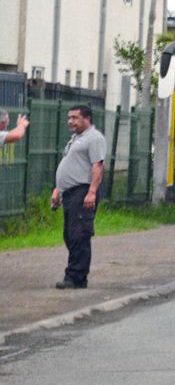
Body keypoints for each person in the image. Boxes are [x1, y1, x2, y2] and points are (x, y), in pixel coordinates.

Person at [51, 105, 107, 290]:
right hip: (70, 193)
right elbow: (70, 165)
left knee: (79, 235)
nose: (70, 121)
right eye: (70, 117)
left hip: (83, 192)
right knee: (69, 235)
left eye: (75, 117)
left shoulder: (94, 138)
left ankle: (75, 277)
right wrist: (58, 190)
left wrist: (91, 192)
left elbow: (97, 166)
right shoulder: (76, 138)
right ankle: (78, 275)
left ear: (87, 119)